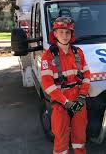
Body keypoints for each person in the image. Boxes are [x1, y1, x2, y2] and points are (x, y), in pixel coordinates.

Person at [41, 17, 91, 154]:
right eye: (61, 32)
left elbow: (87, 76)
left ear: (72, 34)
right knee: (61, 139)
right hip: (60, 103)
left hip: (78, 100)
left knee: (80, 138)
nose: (64, 35)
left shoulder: (78, 53)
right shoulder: (48, 55)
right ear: (55, 34)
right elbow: (47, 84)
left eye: (67, 32)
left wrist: (82, 96)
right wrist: (66, 102)